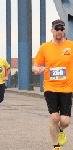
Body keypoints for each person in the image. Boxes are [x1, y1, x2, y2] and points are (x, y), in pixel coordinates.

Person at [32, 19, 73, 150]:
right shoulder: (45, 47)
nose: (59, 31)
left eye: (62, 28)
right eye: (57, 28)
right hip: (50, 86)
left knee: (65, 121)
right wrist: (37, 70)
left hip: (67, 87)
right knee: (55, 117)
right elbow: (35, 65)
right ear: (52, 30)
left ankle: (61, 130)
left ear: (64, 30)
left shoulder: (71, 46)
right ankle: (56, 146)